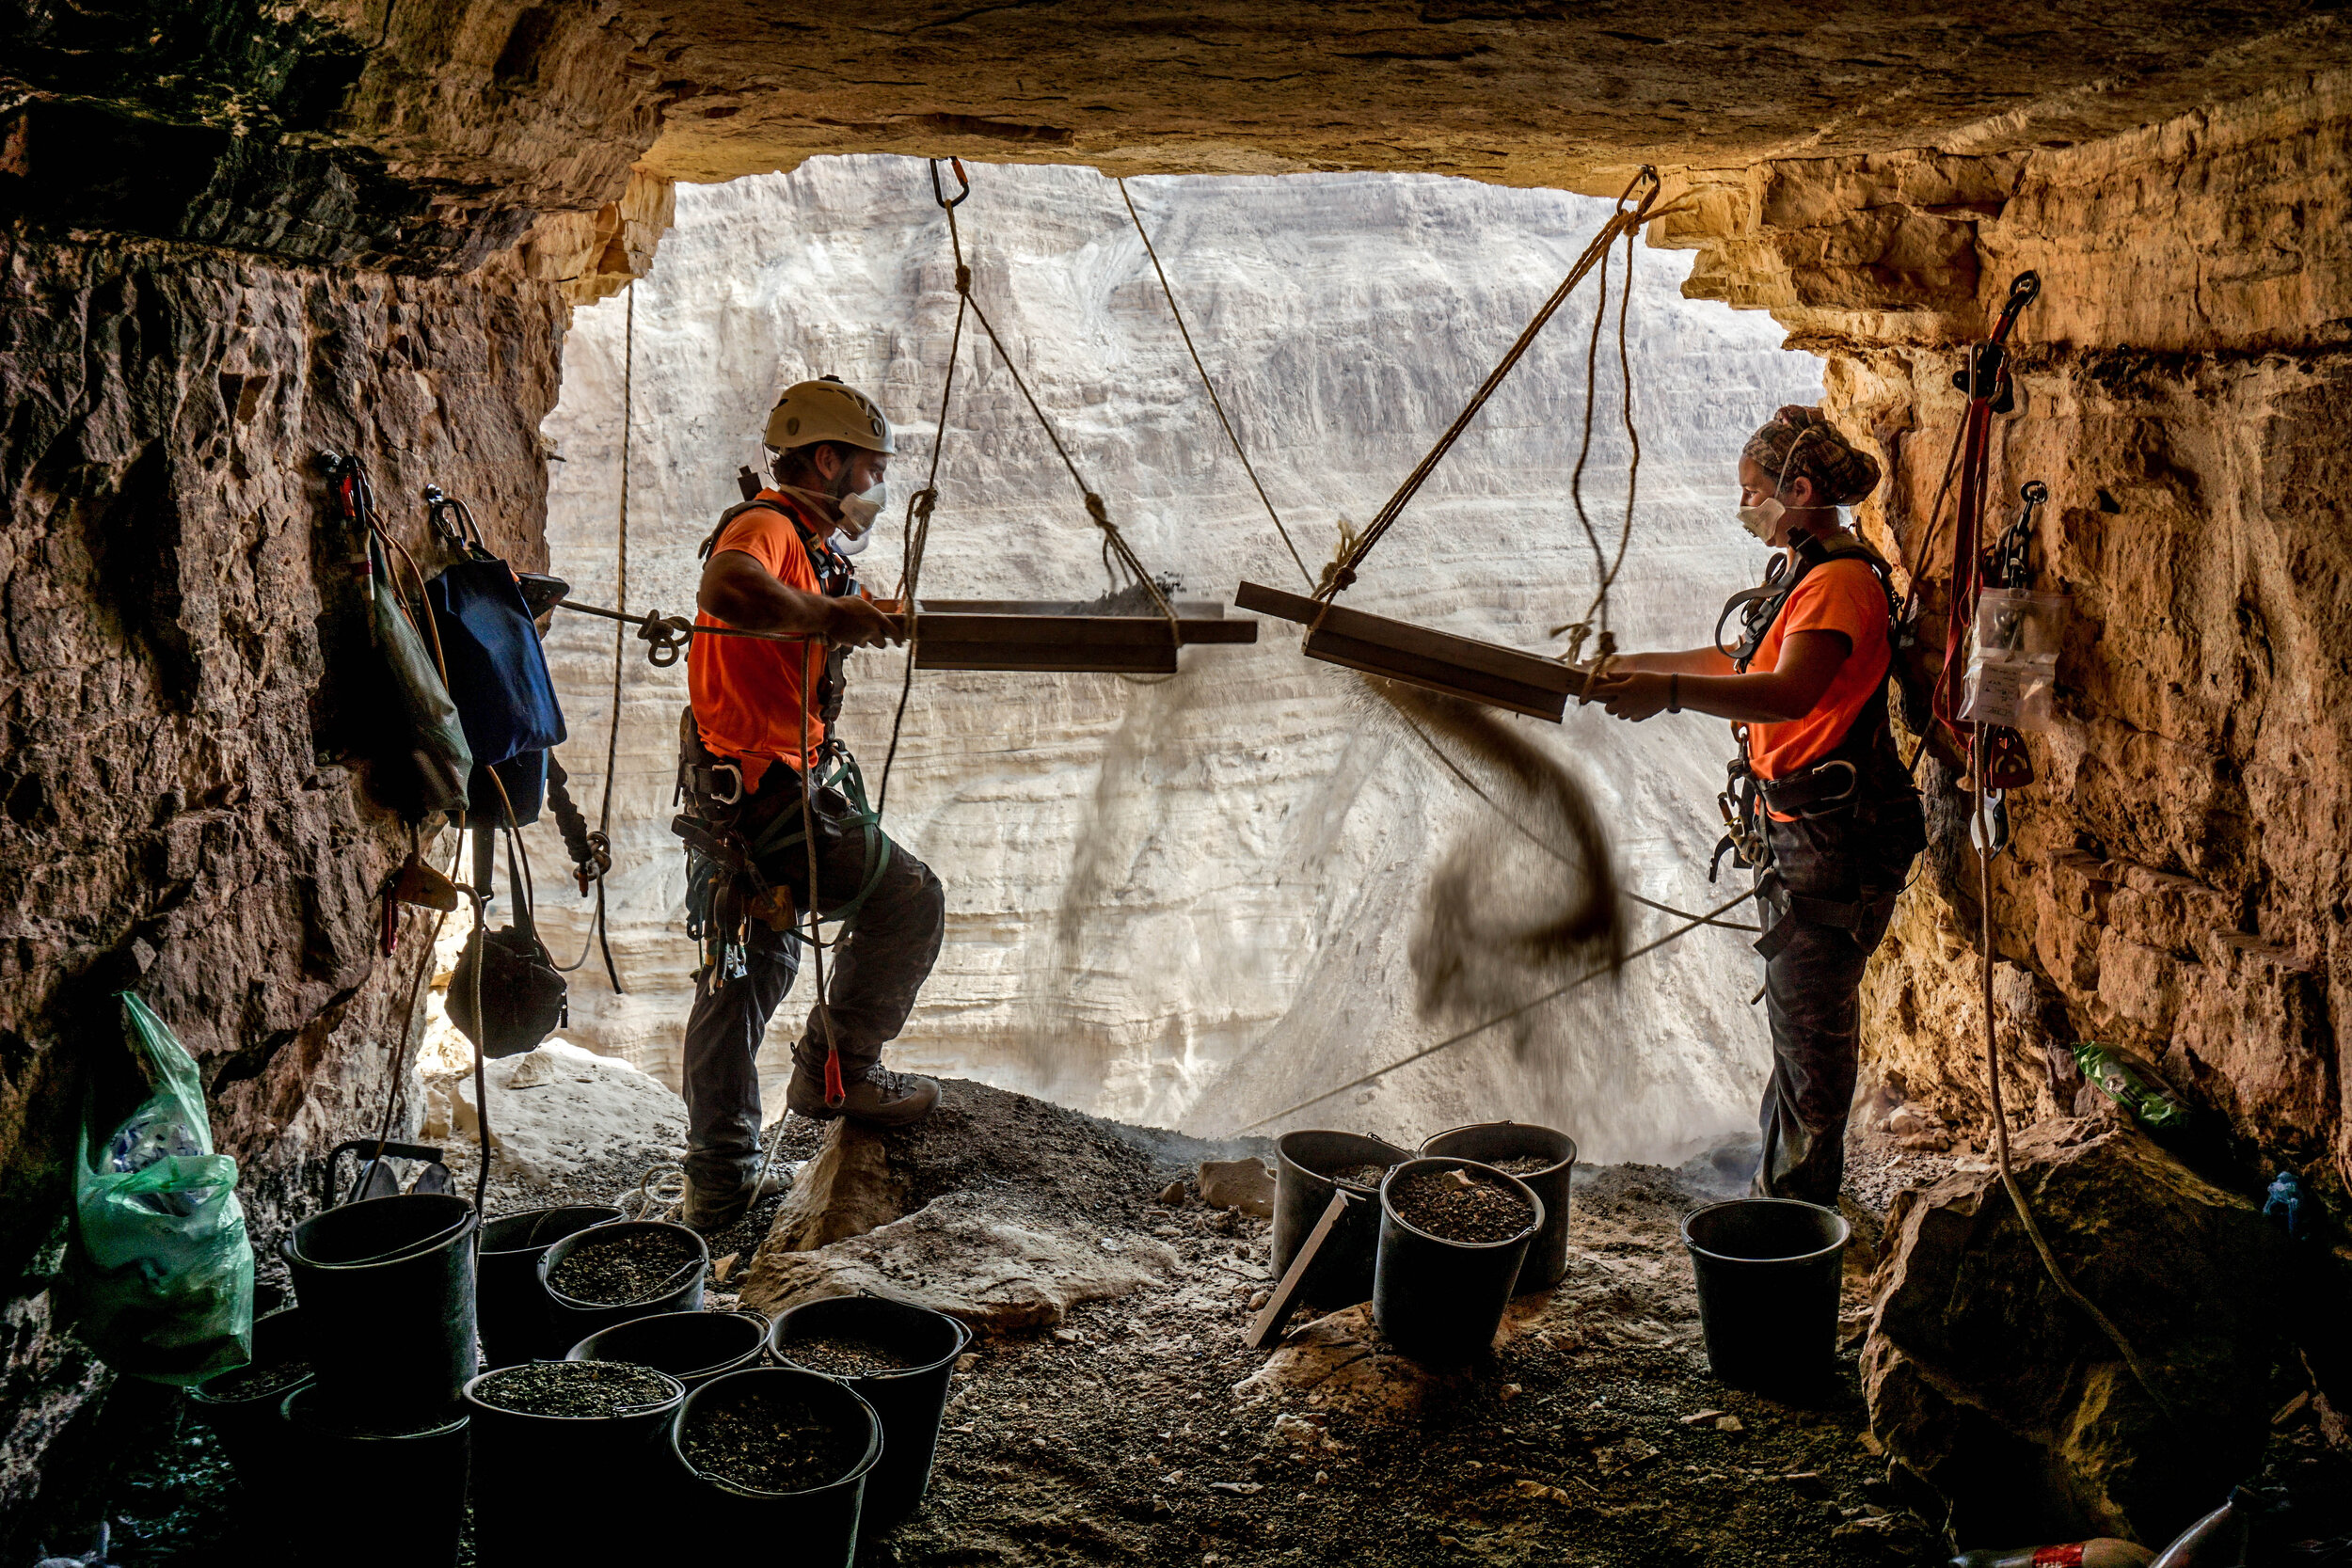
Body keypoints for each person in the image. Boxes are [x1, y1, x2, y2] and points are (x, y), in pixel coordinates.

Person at [1585, 405, 1926, 1207]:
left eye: (1753, 492)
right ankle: (1786, 1195)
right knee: (1796, 1022)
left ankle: (1797, 1221)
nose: (1745, 509)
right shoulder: (1804, 574)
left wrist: (1667, 693)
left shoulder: (1841, 582)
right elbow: (1741, 657)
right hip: (1802, 828)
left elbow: (1787, 690)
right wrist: (1631, 665)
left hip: (1835, 838)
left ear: (1798, 488)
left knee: (1810, 1030)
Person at [674, 376, 947, 1233]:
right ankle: (842, 1065)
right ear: (825, 460)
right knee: (909, 901)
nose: (871, 489)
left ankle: (719, 1182)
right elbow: (728, 588)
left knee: (751, 973)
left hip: (744, 793)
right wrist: (833, 615)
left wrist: (854, 615)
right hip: (765, 798)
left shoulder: (805, 540)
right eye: (866, 471)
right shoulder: (767, 528)